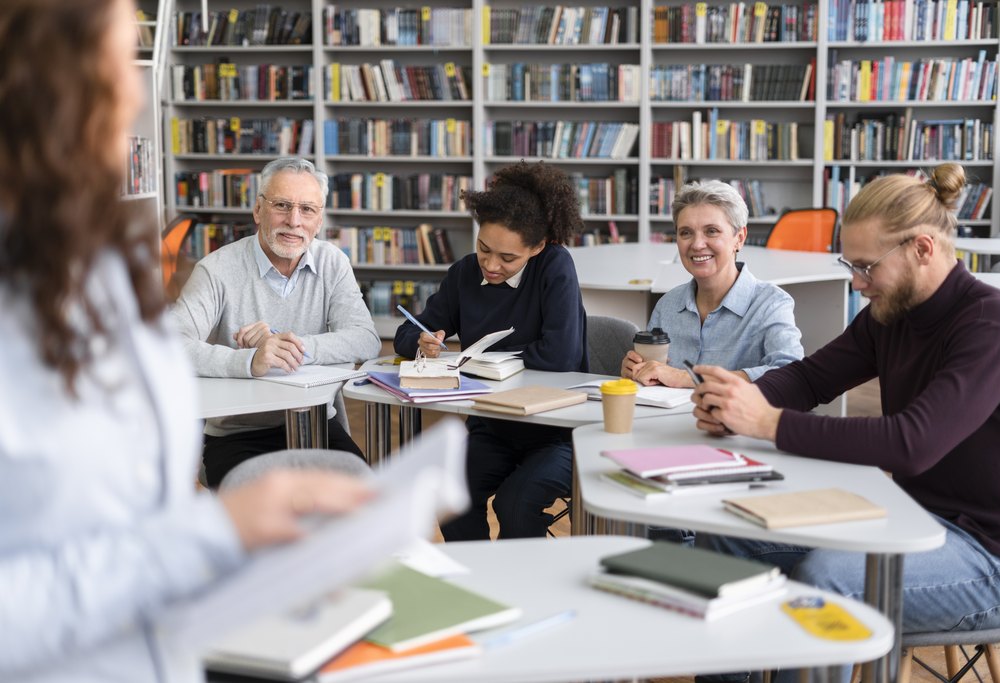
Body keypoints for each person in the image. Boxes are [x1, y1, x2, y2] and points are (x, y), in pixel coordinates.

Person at [0, 1, 375, 679]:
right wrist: (212, 533)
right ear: (50, 88)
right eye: (120, 66)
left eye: (308, 209)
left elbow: (130, 511)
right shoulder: (209, 268)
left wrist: (294, 344)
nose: (136, 95)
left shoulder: (96, 266)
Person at [692, 163, 1000, 683]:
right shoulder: (890, 313)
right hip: (910, 519)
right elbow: (809, 379)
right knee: (724, 538)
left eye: (867, 266)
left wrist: (767, 422)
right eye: (852, 264)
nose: (856, 281)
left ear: (921, 249)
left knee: (831, 580)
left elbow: (912, 444)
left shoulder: (995, 325)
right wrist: (737, 399)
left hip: (997, 558)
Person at [393, 161, 588, 540]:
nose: (492, 265)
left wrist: (486, 361)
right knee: (450, 495)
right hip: (491, 426)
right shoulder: (465, 273)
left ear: (538, 247)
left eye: (508, 258)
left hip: (557, 431)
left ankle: (519, 587)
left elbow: (561, 356)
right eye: (484, 248)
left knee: (515, 503)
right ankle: (476, 582)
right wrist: (421, 341)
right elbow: (406, 333)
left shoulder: (555, 268)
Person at [172, 157, 381, 488]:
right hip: (238, 434)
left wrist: (286, 345)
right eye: (282, 205)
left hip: (315, 425)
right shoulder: (216, 270)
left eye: (307, 210)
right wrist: (250, 360)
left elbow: (365, 339)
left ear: (320, 219)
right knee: (265, 527)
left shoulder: (333, 263)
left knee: (367, 502)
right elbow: (170, 345)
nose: (294, 221)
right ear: (258, 210)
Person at [621, 180, 803, 387]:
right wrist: (636, 371)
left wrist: (687, 378)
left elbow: (791, 374)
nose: (697, 244)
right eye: (686, 233)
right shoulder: (667, 306)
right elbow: (654, 378)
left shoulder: (771, 304)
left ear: (739, 238)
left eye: (712, 231)